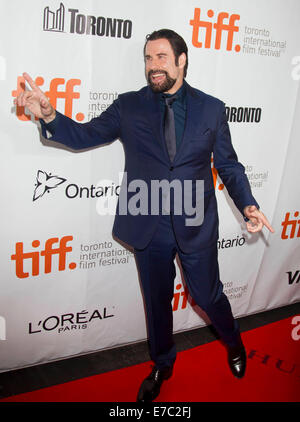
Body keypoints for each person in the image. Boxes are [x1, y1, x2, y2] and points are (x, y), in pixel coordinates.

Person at [15, 29, 274, 402]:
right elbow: (84, 135)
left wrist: (248, 203)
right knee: (156, 302)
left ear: (182, 60)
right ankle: (162, 363)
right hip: (147, 222)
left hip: (195, 222)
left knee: (207, 294)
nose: (153, 66)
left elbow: (229, 165)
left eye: (161, 58)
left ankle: (234, 342)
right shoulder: (129, 105)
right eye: (148, 59)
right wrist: (50, 114)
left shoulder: (211, 108)